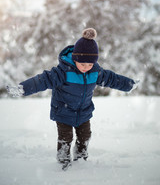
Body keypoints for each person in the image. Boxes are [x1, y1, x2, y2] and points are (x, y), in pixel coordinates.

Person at [7, 28, 139, 170]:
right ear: (75, 58)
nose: (86, 68)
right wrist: (23, 88)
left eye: (90, 64)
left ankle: (81, 157)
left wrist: (128, 84)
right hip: (63, 112)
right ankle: (63, 160)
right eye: (82, 64)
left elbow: (112, 79)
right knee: (66, 138)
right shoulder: (63, 72)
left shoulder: (95, 72)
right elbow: (42, 80)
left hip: (83, 112)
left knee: (85, 136)